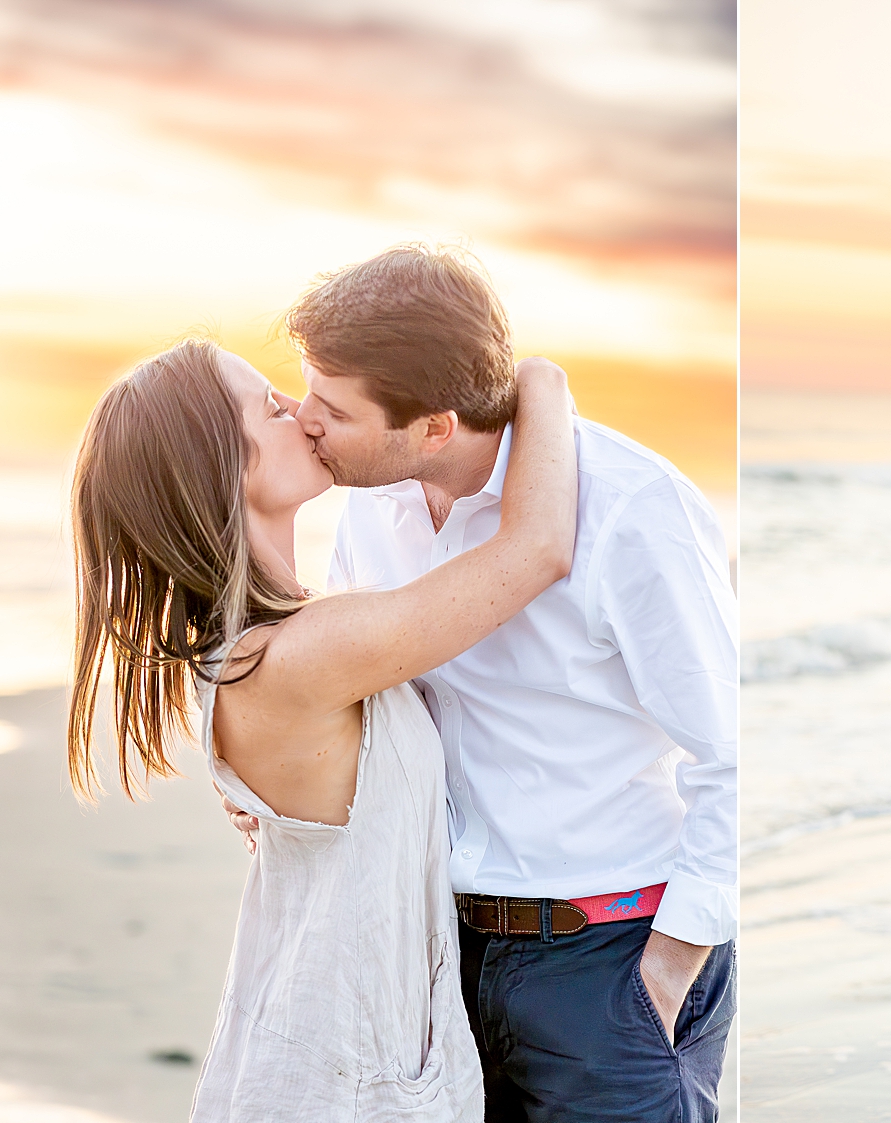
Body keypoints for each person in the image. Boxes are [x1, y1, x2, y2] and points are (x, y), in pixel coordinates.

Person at [223, 245, 738, 1122]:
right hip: (441, 956)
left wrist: (670, 961)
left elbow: (730, 749)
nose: (305, 420)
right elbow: (379, 705)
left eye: (334, 409)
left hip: (606, 957)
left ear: (435, 424)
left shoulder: (631, 507)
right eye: (306, 391)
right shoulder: (370, 507)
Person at [67, 339, 577, 1120]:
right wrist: (539, 379)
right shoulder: (299, 654)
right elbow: (537, 547)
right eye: (271, 406)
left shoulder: (275, 643)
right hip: (337, 1084)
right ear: (222, 466)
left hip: (330, 1062)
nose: (303, 414)